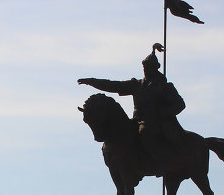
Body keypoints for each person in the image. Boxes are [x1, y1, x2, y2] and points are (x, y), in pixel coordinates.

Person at [78, 43, 188, 171]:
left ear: (156, 68)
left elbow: (180, 104)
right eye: (144, 66)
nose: (146, 69)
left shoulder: (164, 86)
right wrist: (91, 81)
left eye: (149, 66)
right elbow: (113, 85)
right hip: (137, 121)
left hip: (157, 122)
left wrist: (160, 113)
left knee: (145, 133)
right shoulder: (136, 84)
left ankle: (159, 162)